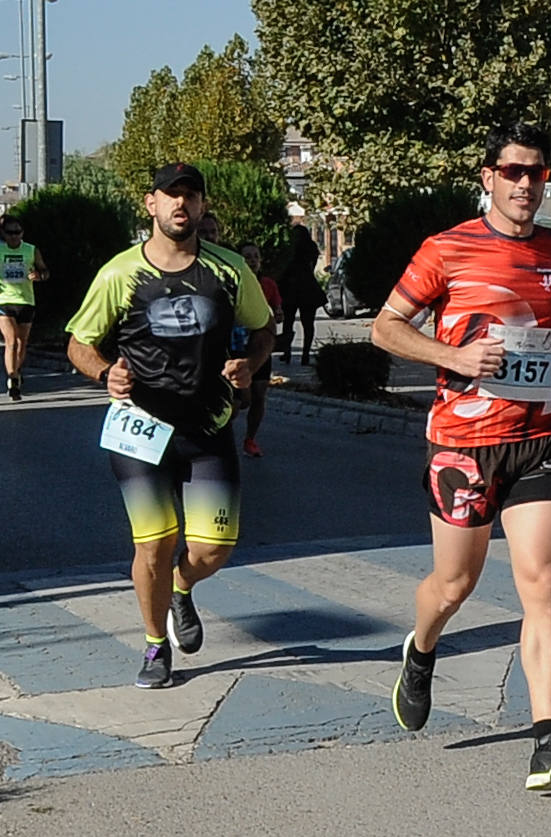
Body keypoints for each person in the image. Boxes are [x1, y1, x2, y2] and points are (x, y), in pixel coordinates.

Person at [370, 123, 551, 791]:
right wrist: (455, 357)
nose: (525, 184)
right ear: (488, 176)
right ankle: (422, 646)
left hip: (539, 440)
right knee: (454, 585)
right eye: (513, 171)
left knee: (544, 586)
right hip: (463, 444)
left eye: (536, 172)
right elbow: (385, 327)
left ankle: (546, 741)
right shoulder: (447, 249)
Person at [65, 162, 275, 688]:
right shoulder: (120, 273)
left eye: (191, 196)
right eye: (170, 195)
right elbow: (78, 344)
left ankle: (182, 587)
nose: (181, 204)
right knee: (154, 543)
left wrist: (250, 363)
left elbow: (264, 328)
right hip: (140, 429)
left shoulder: (229, 270)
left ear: (202, 206)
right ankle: (156, 646)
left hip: (208, 427)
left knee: (212, 549)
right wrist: (103, 372)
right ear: (150, 203)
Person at [237, 242, 283, 457]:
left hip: (262, 346)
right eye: (247, 256)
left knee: (259, 394)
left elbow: (277, 309)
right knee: (243, 399)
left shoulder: (268, 284)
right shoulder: (234, 282)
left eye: (256, 256)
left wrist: (278, 314)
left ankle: (250, 439)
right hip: (238, 345)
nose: (252, 260)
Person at [0, 213, 50, 401]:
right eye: (9, 232)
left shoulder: (31, 250)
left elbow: (45, 271)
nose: (14, 236)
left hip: (26, 301)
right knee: (11, 341)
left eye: (17, 232)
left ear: (22, 233)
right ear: (3, 234)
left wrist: (39, 275)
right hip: (3, 300)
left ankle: (17, 372)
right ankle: (12, 379)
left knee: (22, 343)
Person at [278, 224, 325, 365]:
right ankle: (305, 354)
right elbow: (313, 267)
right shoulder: (311, 248)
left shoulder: (288, 249)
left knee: (288, 323)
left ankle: (287, 353)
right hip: (307, 289)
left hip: (290, 288)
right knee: (308, 324)